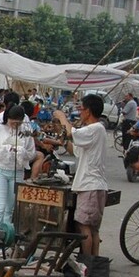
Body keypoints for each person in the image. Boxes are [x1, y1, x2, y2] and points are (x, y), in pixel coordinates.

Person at [55, 94, 109, 257]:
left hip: (90, 184)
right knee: (92, 228)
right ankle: (92, 263)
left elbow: (73, 133)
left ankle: (86, 263)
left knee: (85, 227)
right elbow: (75, 150)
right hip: (94, 184)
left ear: (88, 111)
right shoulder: (93, 131)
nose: (80, 113)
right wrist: (62, 138)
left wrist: (62, 117)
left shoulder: (95, 128)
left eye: (82, 109)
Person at [0, 104, 36, 230]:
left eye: (18, 123)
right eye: (12, 122)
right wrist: (6, 149)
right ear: (7, 118)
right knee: (0, 206)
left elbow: (32, 153)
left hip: (17, 171)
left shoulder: (26, 131)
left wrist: (21, 151)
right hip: (0, 169)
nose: (15, 125)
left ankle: (5, 237)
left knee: (10, 208)